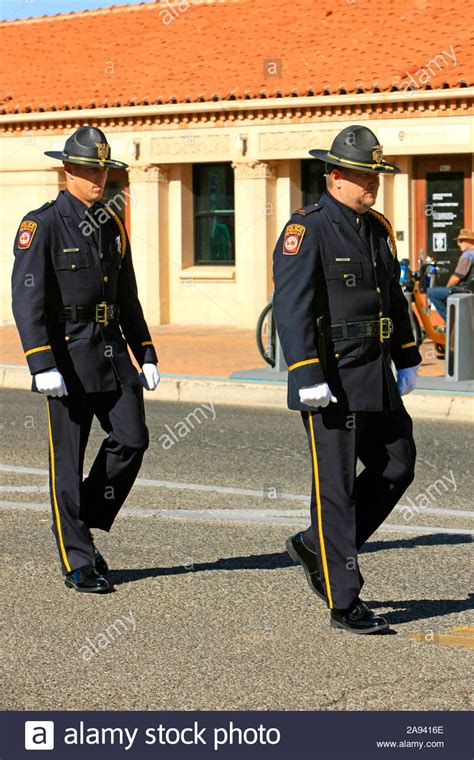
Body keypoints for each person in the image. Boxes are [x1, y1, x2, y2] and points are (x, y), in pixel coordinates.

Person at [273, 125, 422, 634]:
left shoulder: (376, 227)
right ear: (335, 175)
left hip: (374, 371)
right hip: (330, 377)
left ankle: (318, 544)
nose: (372, 184)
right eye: (364, 175)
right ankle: (344, 599)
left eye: (376, 175)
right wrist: (305, 374)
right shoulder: (307, 229)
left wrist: (406, 355)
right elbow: (291, 310)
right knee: (335, 489)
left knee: (399, 463)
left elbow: (392, 297)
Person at [11, 126, 160, 594]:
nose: (99, 178)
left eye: (104, 169)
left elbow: (127, 296)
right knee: (67, 463)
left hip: (113, 356)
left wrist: (146, 351)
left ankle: (83, 519)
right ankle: (77, 556)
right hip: (67, 360)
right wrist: (41, 363)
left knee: (133, 439)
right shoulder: (43, 224)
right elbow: (25, 301)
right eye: (91, 169)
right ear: (68, 170)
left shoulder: (111, 224)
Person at [427, 229, 474, 321]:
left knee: (432, 292)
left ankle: (450, 321)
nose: (459, 244)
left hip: (464, 290)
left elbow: (457, 277)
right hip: (470, 289)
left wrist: (448, 287)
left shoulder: (467, 255)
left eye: (461, 241)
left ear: (470, 241)